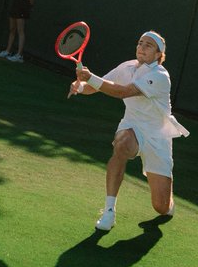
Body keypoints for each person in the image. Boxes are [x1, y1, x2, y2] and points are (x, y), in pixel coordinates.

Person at [72, 29, 190, 232]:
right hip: (132, 125)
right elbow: (98, 85)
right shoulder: (126, 67)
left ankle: (168, 203)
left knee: (161, 207)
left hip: (158, 137)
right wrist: (81, 87)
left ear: (158, 55)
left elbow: (123, 92)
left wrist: (89, 78)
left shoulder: (160, 76)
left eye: (148, 45)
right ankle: (109, 211)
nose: (142, 47)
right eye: (140, 43)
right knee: (121, 145)